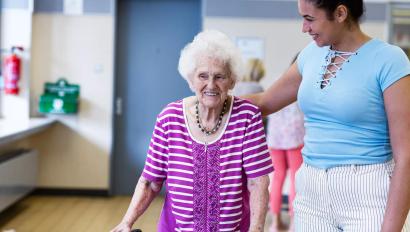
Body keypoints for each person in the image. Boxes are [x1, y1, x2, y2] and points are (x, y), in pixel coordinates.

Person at [244, 0, 410, 231]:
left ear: (340, 13)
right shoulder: (310, 55)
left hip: (367, 193)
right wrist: (200, 102)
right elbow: (264, 102)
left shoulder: (389, 59)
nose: (304, 28)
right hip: (312, 190)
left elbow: (406, 156)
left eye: (310, 19)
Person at [111, 30, 274, 232]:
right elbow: (150, 182)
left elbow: (258, 182)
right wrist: (127, 222)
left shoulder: (247, 117)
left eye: (220, 76)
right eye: (203, 76)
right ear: (190, 80)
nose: (211, 85)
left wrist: (257, 229)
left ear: (232, 80)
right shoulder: (169, 118)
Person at [267, 103, 304, 232]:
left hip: (275, 137)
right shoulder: (298, 86)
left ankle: (275, 224)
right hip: (295, 136)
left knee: (277, 178)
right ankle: (294, 224)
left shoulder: (276, 90)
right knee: (296, 178)